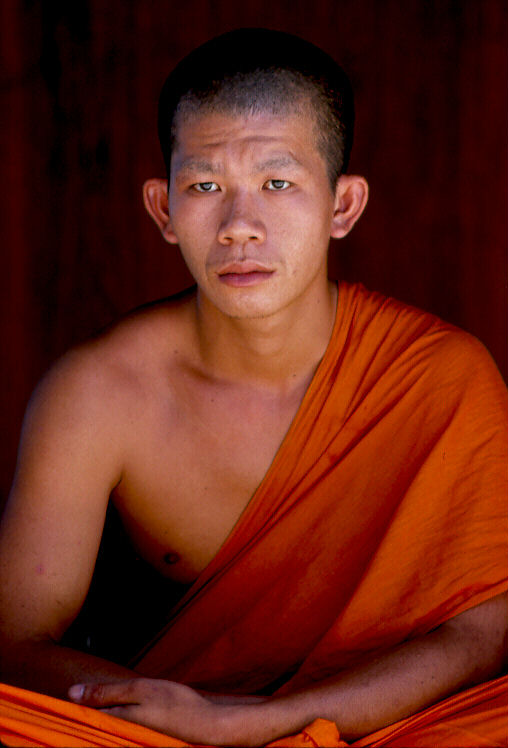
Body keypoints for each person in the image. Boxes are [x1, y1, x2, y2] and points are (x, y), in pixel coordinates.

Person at [0, 28, 506, 748]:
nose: (240, 226)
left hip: (380, 726)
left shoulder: (441, 376)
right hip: (164, 734)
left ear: (343, 205)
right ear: (163, 208)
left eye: (277, 183)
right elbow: (15, 643)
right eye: (205, 186)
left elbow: (484, 628)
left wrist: (264, 725)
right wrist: (183, 717)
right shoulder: (100, 392)